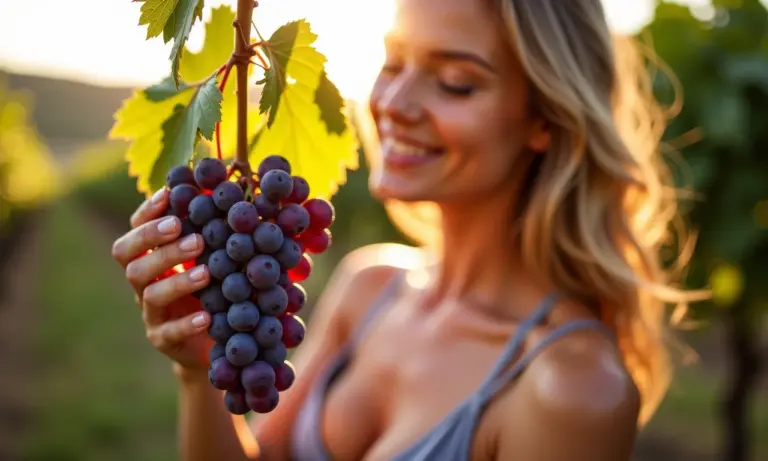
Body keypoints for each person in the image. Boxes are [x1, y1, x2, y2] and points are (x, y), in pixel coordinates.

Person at [111, 0, 700, 459]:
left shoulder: (571, 390)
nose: (393, 100)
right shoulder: (371, 286)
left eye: (455, 82)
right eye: (392, 63)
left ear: (545, 118)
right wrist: (197, 372)